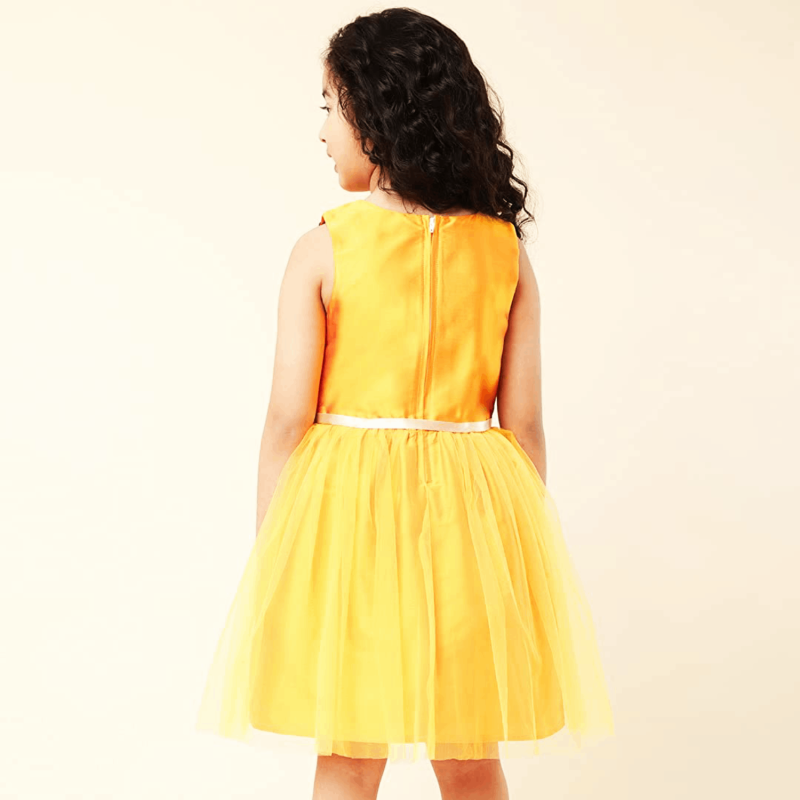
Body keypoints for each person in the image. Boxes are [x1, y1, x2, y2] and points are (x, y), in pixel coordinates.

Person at [195, 7, 614, 799]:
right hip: (469, 522)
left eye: (330, 107)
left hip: (349, 522)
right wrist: (518, 556)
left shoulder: (324, 247)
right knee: (470, 753)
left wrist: (275, 550)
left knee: (349, 756)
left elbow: (286, 421)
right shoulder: (505, 253)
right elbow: (524, 426)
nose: (322, 131)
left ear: (375, 114)